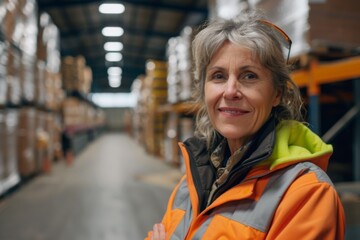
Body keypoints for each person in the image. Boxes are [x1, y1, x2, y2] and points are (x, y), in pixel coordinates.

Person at [146, 11, 345, 240]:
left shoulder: (307, 194)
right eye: (218, 76)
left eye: (249, 76)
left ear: (277, 94)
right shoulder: (192, 179)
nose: (230, 91)